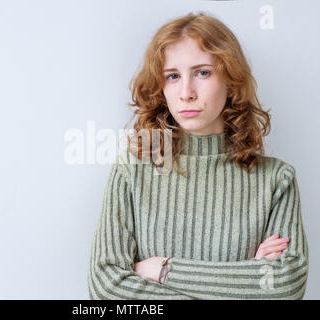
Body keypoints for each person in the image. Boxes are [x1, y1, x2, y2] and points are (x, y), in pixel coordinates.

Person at [88, 12, 308, 300]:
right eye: (173, 76)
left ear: (230, 80)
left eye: (202, 72)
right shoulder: (131, 171)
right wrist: (242, 281)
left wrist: (165, 271)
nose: (186, 92)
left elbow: (285, 287)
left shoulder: (276, 179)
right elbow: (106, 288)